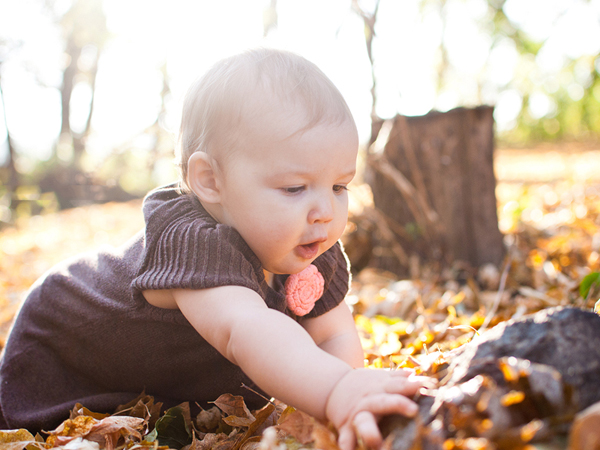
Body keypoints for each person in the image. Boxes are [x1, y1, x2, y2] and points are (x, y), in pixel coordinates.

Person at [0, 48, 429, 450]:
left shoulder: (308, 241)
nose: (325, 210)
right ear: (210, 181)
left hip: (157, 369)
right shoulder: (190, 238)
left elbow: (333, 333)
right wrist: (335, 392)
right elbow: (246, 329)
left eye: (339, 186)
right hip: (63, 351)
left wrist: (354, 397)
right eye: (295, 187)